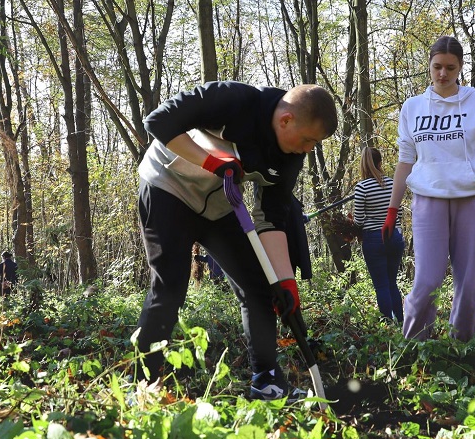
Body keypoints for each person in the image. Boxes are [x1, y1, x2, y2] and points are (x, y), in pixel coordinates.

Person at [134, 81, 338, 400]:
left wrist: (285, 282)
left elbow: (271, 216)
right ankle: (144, 383)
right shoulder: (232, 100)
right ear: (286, 120)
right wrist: (212, 161)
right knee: (170, 286)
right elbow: (159, 121)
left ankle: (267, 382)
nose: (309, 149)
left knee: (259, 286)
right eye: (309, 139)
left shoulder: (289, 157)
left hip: (220, 205)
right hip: (166, 189)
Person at [384, 36, 475, 342]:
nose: (443, 74)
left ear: (460, 68)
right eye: (437, 67)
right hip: (429, 198)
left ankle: (461, 348)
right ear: (429, 66)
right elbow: (405, 160)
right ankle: (413, 347)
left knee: (468, 283)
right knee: (427, 280)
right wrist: (392, 209)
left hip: (473, 198)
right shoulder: (413, 107)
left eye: (450, 67)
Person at [353, 147, 405, 324]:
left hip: (373, 239)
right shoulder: (393, 184)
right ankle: (401, 322)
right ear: (380, 162)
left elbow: (358, 221)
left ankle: (388, 327)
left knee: (381, 286)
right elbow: (397, 213)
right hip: (395, 237)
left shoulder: (362, 188)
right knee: (392, 283)